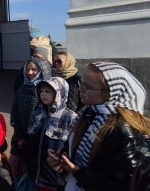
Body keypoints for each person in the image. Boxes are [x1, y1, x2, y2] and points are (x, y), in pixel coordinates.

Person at [47, 62, 150, 191]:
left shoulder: (126, 133)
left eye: (86, 87)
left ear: (111, 93)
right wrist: (63, 160)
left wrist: (79, 173)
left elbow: (129, 186)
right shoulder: (88, 115)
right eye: (80, 84)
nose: (79, 89)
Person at [24, 77, 78, 191]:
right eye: (41, 91)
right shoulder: (38, 113)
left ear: (60, 93)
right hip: (34, 175)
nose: (43, 94)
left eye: (48, 91)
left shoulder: (69, 117)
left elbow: (74, 148)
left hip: (55, 180)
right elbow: (30, 140)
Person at [10, 57, 51, 175]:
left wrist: (30, 139)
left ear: (42, 70)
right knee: (14, 166)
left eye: (34, 69)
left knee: (32, 171)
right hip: (20, 138)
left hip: (37, 141)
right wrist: (19, 136)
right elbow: (15, 113)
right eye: (27, 69)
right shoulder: (22, 88)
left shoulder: (47, 90)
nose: (29, 72)